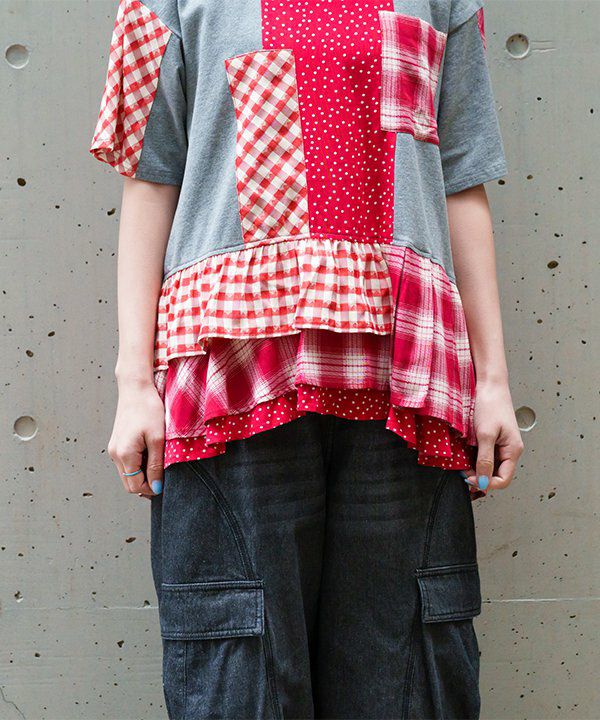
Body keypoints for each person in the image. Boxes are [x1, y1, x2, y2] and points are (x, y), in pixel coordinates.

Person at [89, 0, 524, 717]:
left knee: (403, 680)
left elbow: (459, 178)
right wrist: (134, 382)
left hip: (405, 374)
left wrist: (493, 382)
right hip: (232, 373)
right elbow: (151, 174)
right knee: (240, 681)